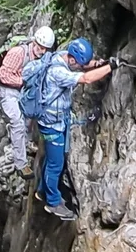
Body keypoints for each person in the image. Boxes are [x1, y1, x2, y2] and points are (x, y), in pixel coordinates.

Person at [28, 38, 111, 220]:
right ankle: (53, 202)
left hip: (57, 120)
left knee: (53, 159)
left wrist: (98, 64)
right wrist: (110, 68)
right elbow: (86, 78)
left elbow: (83, 67)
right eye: (80, 63)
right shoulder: (58, 71)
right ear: (72, 59)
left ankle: (42, 190)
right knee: (55, 164)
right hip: (51, 125)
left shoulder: (61, 56)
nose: (82, 66)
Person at [0, 26, 54, 173]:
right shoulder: (18, 53)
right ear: (34, 42)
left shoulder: (41, 57)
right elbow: (3, 75)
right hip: (8, 91)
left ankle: (25, 143)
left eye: (45, 49)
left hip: (23, 92)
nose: (42, 51)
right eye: (40, 47)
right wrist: (23, 80)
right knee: (18, 122)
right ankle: (21, 164)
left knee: (30, 117)